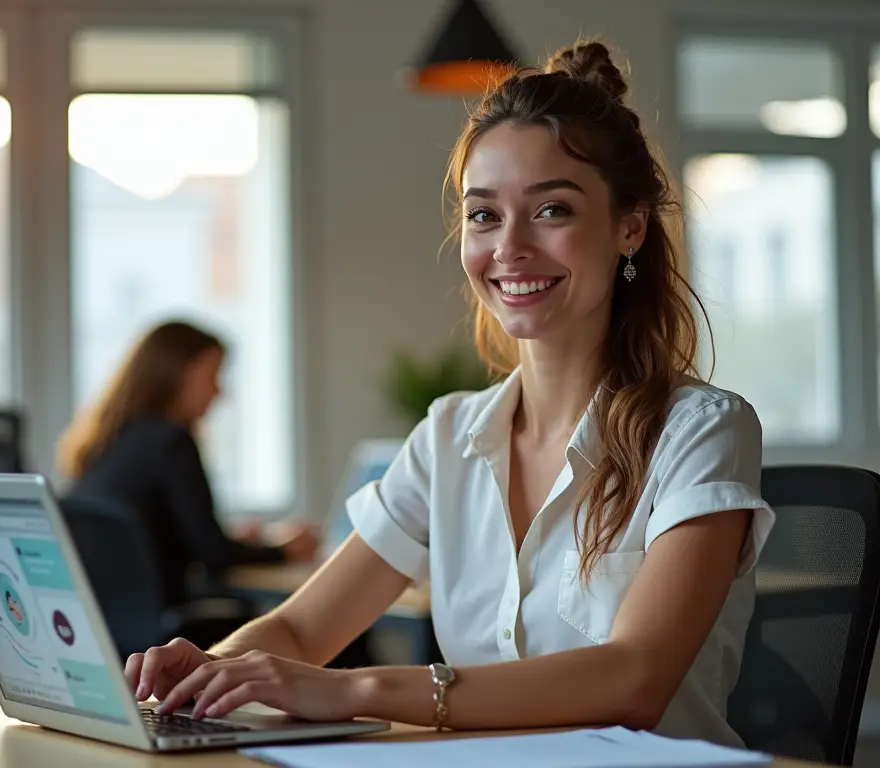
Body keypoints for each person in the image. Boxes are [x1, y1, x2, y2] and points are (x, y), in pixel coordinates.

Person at [125, 40, 777, 746]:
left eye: (552, 210)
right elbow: (299, 627)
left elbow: (635, 678)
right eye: (484, 214)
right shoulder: (449, 436)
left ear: (629, 227)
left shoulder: (702, 430)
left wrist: (356, 688)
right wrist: (206, 675)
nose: (510, 247)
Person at [58, 321, 319, 607]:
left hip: (115, 621)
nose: (219, 393)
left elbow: (168, 539)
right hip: (172, 628)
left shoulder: (108, 441)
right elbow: (215, 556)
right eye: (212, 377)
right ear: (176, 375)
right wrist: (285, 550)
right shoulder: (171, 442)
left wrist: (230, 540)